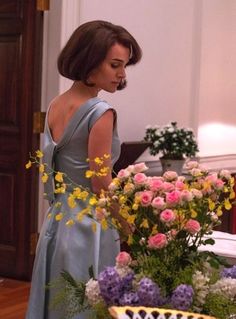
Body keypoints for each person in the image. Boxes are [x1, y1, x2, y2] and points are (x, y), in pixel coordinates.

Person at [26, 20, 142, 319]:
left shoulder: (56, 104)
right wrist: (131, 227)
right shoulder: (99, 112)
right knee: (87, 306)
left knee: (57, 303)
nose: (122, 74)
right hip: (90, 226)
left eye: (125, 65)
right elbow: (101, 184)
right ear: (90, 60)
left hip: (57, 221)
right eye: (115, 64)